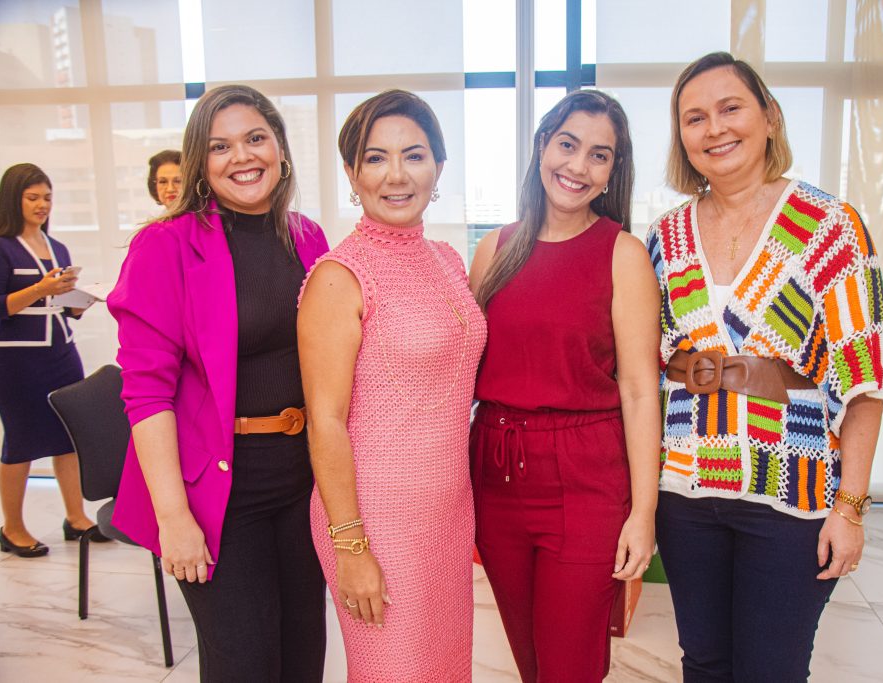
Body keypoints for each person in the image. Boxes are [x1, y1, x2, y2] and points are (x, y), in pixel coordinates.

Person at [647, 51, 883, 682]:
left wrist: (849, 509)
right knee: (704, 663)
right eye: (694, 118)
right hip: (685, 487)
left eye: (731, 108)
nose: (715, 129)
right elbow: (641, 367)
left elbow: (866, 380)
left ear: (770, 117)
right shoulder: (664, 236)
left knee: (773, 669)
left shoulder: (829, 226)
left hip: (791, 490)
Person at [106, 85, 330, 682]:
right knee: (244, 667)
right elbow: (147, 394)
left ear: (280, 146)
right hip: (214, 494)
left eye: (255, 138)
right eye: (219, 146)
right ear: (200, 163)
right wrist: (174, 518)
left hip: (300, 483)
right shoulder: (165, 246)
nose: (242, 156)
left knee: (302, 661)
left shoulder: (308, 238)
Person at [469, 89, 662, 682]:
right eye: (568, 145)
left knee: (570, 667)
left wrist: (644, 512)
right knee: (531, 662)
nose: (578, 167)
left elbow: (637, 389)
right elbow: (459, 373)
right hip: (496, 469)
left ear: (612, 172)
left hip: (585, 476)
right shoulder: (493, 249)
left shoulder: (622, 254)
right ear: (542, 148)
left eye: (599, 156)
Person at [297, 89, 486, 682]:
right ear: (352, 174)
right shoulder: (339, 275)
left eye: (415, 155)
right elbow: (324, 420)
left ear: (439, 166)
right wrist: (352, 548)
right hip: (374, 522)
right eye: (376, 159)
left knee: (445, 668)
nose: (397, 175)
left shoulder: (448, 260)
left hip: (446, 513)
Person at [0, 162, 107, 558]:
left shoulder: (56, 247)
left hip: (61, 353)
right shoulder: (2, 246)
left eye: (47, 197)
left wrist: (78, 303)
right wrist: (41, 288)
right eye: (33, 197)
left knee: (68, 439)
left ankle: (76, 517)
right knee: (22, 443)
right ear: (13, 198)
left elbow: (59, 306)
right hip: (16, 362)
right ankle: (12, 528)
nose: (42, 204)